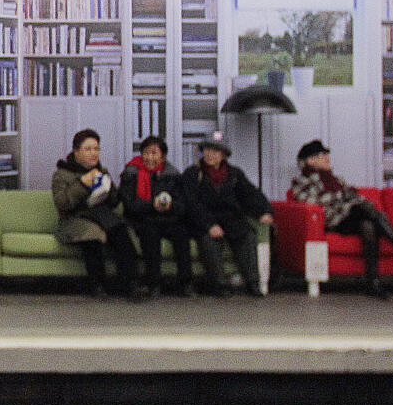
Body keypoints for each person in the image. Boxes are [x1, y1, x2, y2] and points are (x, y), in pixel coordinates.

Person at [288, 139, 393, 299]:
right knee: (362, 208)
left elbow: (353, 196)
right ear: (310, 160)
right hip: (331, 220)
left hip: (347, 216)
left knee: (368, 226)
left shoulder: (335, 178)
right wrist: (343, 196)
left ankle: (373, 283)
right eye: (322, 154)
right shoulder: (302, 181)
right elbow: (310, 202)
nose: (327, 157)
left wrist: (350, 197)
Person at [51, 128, 143, 299]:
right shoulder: (62, 174)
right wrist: (82, 184)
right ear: (76, 152)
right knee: (92, 235)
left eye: (96, 149)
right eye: (88, 149)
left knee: (120, 232)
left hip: (102, 216)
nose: (93, 153)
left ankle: (129, 285)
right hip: (75, 219)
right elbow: (62, 204)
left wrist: (109, 188)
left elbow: (114, 203)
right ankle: (97, 285)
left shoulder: (102, 171)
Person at [181, 132, 274, 298]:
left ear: (223, 154)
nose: (210, 154)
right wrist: (209, 224)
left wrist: (263, 211)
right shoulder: (192, 174)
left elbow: (250, 194)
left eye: (216, 150)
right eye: (208, 149)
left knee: (247, 236)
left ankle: (253, 283)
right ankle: (219, 285)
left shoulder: (234, 174)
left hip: (230, 218)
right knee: (209, 241)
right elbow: (192, 204)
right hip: (205, 220)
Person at [118, 135, 193, 297]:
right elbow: (130, 205)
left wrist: (170, 206)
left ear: (163, 157)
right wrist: (152, 205)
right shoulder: (131, 173)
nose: (149, 157)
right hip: (142, 219)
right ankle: (154, 284)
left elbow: (182, 206)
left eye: (154, 153)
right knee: (149, 234)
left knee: (182, 234)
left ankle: (186, 283)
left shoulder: (173, 175)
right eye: (146, 153)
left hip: (169, 218)